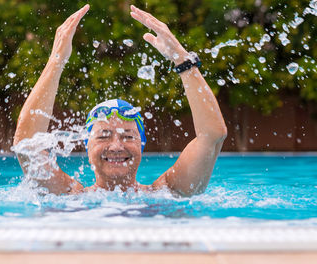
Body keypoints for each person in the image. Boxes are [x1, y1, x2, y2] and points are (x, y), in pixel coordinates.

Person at [13, 4, 227, 196]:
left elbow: (213, 135)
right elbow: (26, 145)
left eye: (128, 136)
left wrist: (182, 58)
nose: (116, 146)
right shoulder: (71, 196)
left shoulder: (166, 192)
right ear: (87, 147)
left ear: (141, 145)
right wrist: (56, 60)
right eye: (104, 136)